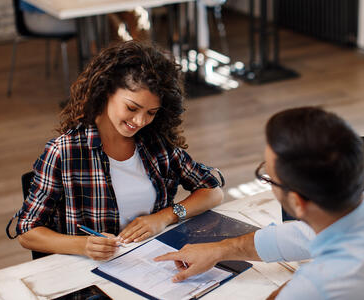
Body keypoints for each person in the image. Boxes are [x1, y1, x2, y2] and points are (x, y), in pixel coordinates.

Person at [154, 107, 364, 300]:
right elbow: (298, 236)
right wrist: (219, 249)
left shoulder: (324, 285)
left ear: (296, 200)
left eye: (268, 176)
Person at [13, 41, 224, 261]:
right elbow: (27, 231)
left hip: (154, 264)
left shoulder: (156, 144)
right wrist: (83, 245)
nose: (140, 121)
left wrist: (163, 218)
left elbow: (212, 191)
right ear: (105, 92)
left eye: (151, 112)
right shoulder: (64, 153)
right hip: (91, 272)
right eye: (132, 108)